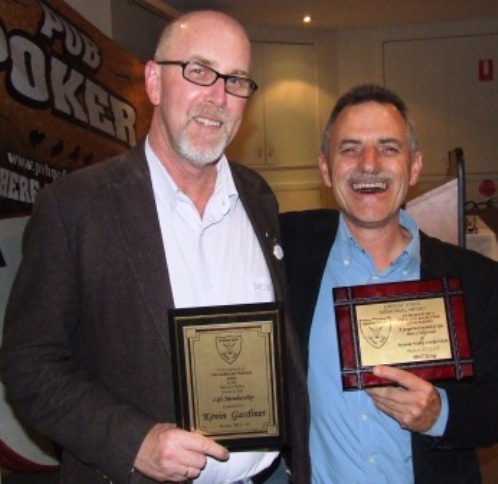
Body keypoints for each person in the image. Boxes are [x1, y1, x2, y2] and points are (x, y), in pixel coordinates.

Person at [0, 10, 309, 483]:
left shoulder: (258, 197)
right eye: (199, 71)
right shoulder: (74, 207)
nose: (218, 97)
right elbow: (28, 364)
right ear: (153, 81)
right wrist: (133, 442)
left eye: (237, 80)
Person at [280, 84, 498, 483]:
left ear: (414, 167)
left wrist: (440, 413)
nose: (368, 164)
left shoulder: (475, 280)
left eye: (388, 148)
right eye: (349, 149)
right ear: (325, 169)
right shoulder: (288, 254)